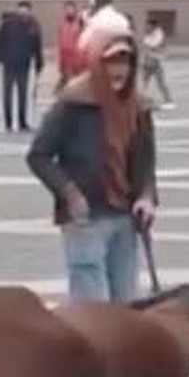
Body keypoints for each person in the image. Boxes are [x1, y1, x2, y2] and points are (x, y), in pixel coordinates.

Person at [26, 21, 157, 303]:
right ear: (98, 63)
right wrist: (69, 193)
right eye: (111, 62)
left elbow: (146, 158)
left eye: (125, 61)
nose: (118, 70)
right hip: (85, 218)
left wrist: (147, 196)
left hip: (125, 215)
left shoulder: (139, 106)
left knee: (126, 307)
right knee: (92, 310)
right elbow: (38, 156)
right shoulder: (73, 102)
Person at [0, 1, 44, 132]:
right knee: (7, 95)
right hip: (9, 65)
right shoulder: (8, 24)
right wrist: (1, 57)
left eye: (26, 10)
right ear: (18, 10)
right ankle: (8, 123)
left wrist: (38, 63)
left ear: (30, 11)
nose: (24, 12)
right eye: (21, 10)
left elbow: (37, 46)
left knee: (23, 95)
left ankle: (22, 122)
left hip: (24, 65)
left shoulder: (33, 25)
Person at [140, 18, 174, 109]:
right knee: (143, 82)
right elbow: (145, 46)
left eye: (148, 25)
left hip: (156, 62)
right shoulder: (149, 34)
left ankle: (168, 100)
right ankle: (142, 100)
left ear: (153, 26)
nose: (146, 27)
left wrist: (148, 48)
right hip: (148, 61)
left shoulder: (159, 34)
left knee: (161, 82)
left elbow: (153, 45)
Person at [56, 1, 84, 91]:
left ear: (75, 10)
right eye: (67, 9)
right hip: (65, 59)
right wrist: (60, 62)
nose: (69, 11)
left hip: (76, 59)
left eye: (71, 9)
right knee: (67, 87)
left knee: (75, 86)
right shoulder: (62, 23)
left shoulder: (80, 23)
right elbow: (60, 43)